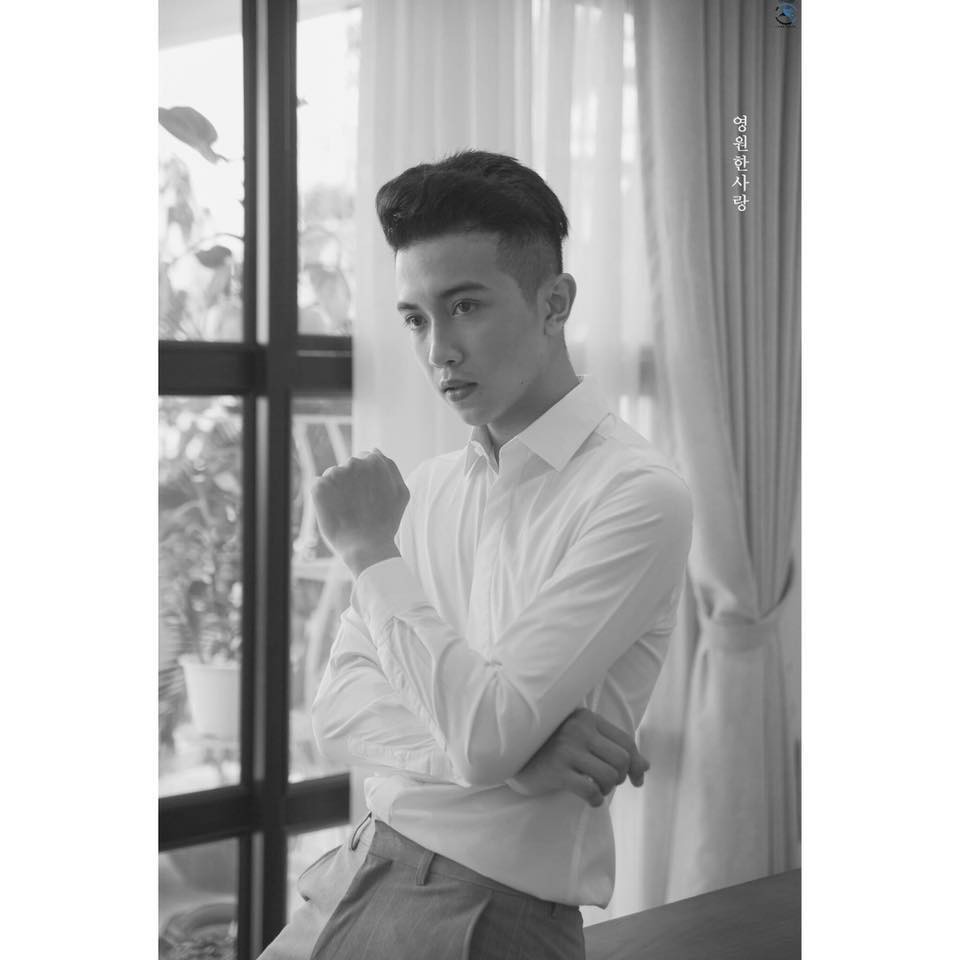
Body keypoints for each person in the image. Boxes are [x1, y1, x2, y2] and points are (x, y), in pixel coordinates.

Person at [258, 150, 693, 960]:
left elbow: (487, 734)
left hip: (482, 912)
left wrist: (369, 551)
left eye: (464, 306)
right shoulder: (426, 490)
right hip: (357, 865)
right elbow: (338, 712)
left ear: (554, 302)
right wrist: (513, 759)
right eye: (416, 319)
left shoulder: (638, 496)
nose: (438, 350)